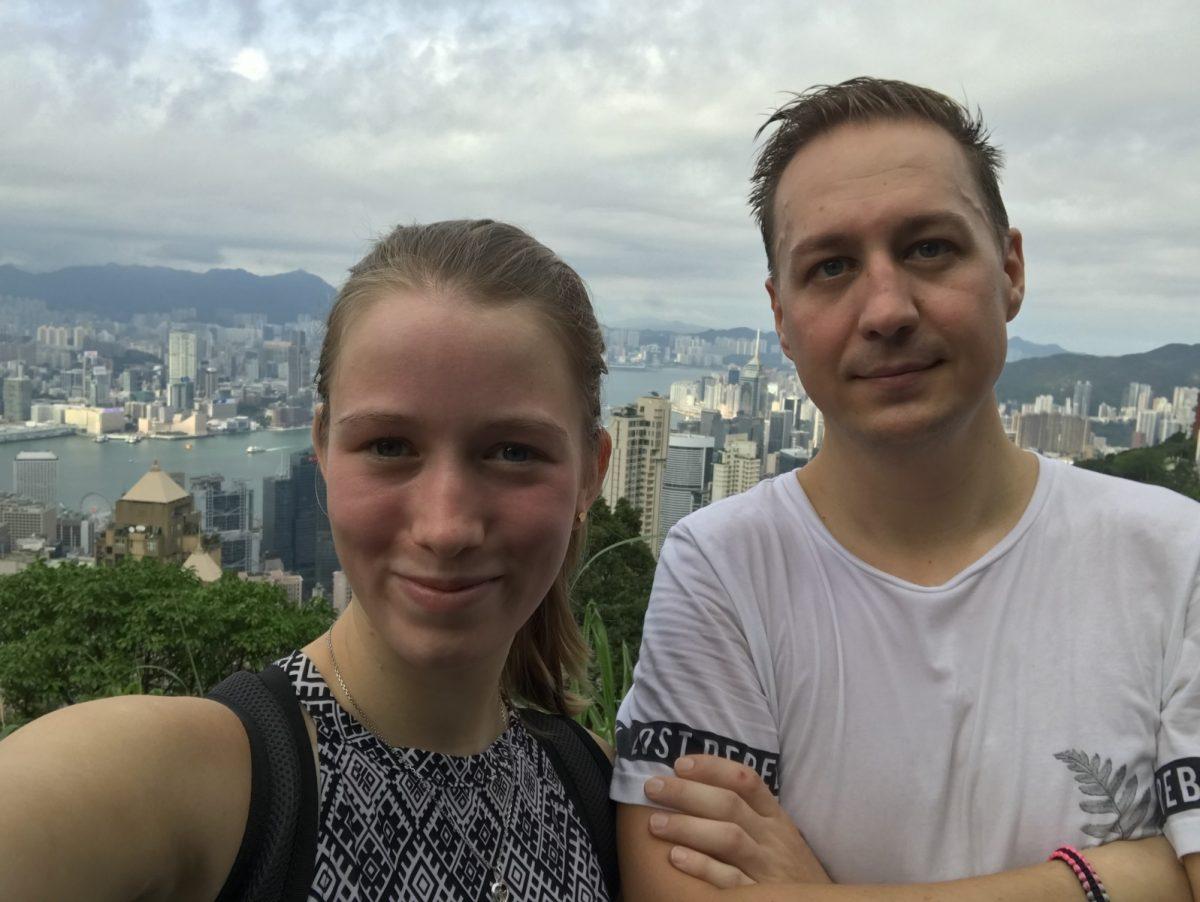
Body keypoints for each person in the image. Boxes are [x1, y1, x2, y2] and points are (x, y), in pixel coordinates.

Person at [612, 78, 1200, 901]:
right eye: (831, 267)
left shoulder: (1177, 559)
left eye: (929, 249)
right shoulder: (725, 568)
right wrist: (1125, 877)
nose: (886, 309)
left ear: (1011, 269)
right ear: (781, 318)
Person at [0, 219, 619, 901]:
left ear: (591, 474)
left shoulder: (600, 795)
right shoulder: (201, 783)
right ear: (321, 449)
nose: (445, 529)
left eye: (514, 452)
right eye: (389, 446)